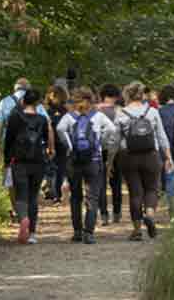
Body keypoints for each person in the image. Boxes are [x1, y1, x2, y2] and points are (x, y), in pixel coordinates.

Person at [56, 88, 117, 243]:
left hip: (74, 161)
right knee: (93, 197)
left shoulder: (69, 117)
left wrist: (69, 145)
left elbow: (59, 129)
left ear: (75, 101)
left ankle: (77, 232)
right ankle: (88, 233)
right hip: (93, 160)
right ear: (92, 100)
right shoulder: (98, 116)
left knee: (75, 197)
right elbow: (112, 129)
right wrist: (101, 144)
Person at [115, 81, 169, 241]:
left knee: (135, 193)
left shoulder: (121, 113)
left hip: (129, 156)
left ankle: (137, 230)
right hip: (151, 155)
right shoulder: (152, 112)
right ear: (143, 95)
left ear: (127, 95)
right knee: (152, 189)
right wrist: (168, 157)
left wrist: (111, 159)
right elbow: (161, 136)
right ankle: (150, 215)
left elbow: (115, 140)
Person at [4, 87, 54, 244]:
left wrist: (7, 160)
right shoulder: (42, 119)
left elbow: (9, 140)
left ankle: (23, 218)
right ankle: (32, 233)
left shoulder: (15, 117)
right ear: (38, 103)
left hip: (19, 161)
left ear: (23, 101)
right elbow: (47, 139)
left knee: (21, 195)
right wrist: (50, 152)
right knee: (33, 196)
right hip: (38, 161)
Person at [0, 78, 35, 220]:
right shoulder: (35, 102)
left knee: (10, 177)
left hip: (11, 147)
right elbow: (46, 124)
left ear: (14, 89)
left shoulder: (4, 102)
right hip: (31, 147)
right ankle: (28, 208)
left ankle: (17, 210)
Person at [96, 83, 124, 226]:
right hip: (117, 150)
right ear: (117, 96)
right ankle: (117, 213)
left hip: (99, 150)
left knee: (100, 182)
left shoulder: (95, 111)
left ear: (102, 95)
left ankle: (104, 214)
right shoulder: (121, 111)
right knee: (116, 181)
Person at [42, 84, 70, 203]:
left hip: (60, 142)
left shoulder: (64, 111)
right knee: (51, 168)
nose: (53, 97)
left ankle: (56, 193)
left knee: (58, 168)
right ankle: (51, 192)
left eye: (55, 95)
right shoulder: (46, 110)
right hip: (51, 142)